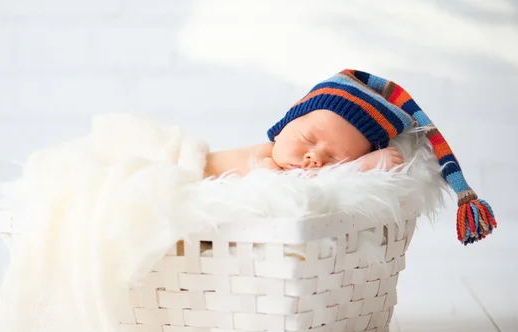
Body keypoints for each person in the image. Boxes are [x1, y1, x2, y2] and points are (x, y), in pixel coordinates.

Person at [203, 69, 496, 245]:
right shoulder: (265, 159)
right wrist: (361, 166)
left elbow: (314, 193)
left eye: (335, 160)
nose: (314, 157)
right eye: (307, 139)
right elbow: (291, 188)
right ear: (282, 127)